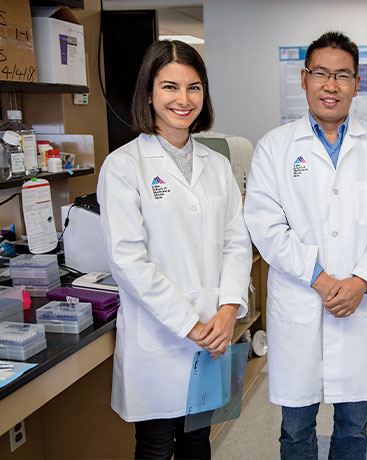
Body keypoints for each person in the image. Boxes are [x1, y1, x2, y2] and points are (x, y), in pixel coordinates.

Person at [244, 31, 367, 460]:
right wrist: (318, 278)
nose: (331, 85)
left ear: (357, 83)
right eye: (321, 73)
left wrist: (362, 281)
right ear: (304, 79)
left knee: (354, 430)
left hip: (361, 306)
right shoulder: (275, 147)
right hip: (301, 302)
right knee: (296, 430)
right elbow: (266, 224)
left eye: (342, 75)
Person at [97, 40, 252, 459]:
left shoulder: (216, 165)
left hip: (213, 330)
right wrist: (189, 323)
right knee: (156, 446)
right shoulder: (125, 166)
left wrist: (227, 308)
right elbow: (128, 259)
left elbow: (237, 242)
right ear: (148, 92)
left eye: (194, 87)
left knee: (198, 440)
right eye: (170, 87)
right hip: (161, 334)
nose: (183, 100)